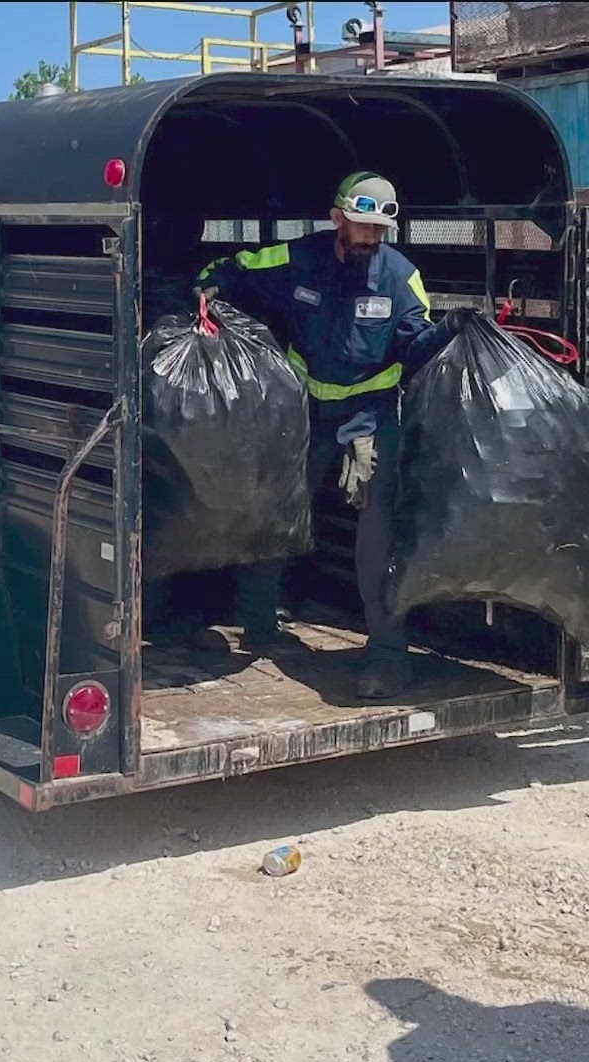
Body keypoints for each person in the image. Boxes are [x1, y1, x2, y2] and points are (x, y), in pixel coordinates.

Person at [196, 171, 460, 699]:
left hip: (372, 416)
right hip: (306, 411)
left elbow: (413, 344)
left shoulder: (401, 277)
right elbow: (233, 269)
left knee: (376, 537)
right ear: (337, 218)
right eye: (362, 226)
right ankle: (260, 626)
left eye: (379, 230)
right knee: (277, 515)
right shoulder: (298, 258)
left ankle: (388, 657)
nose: (371, 237)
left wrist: (449, 334)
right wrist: (206, 292)